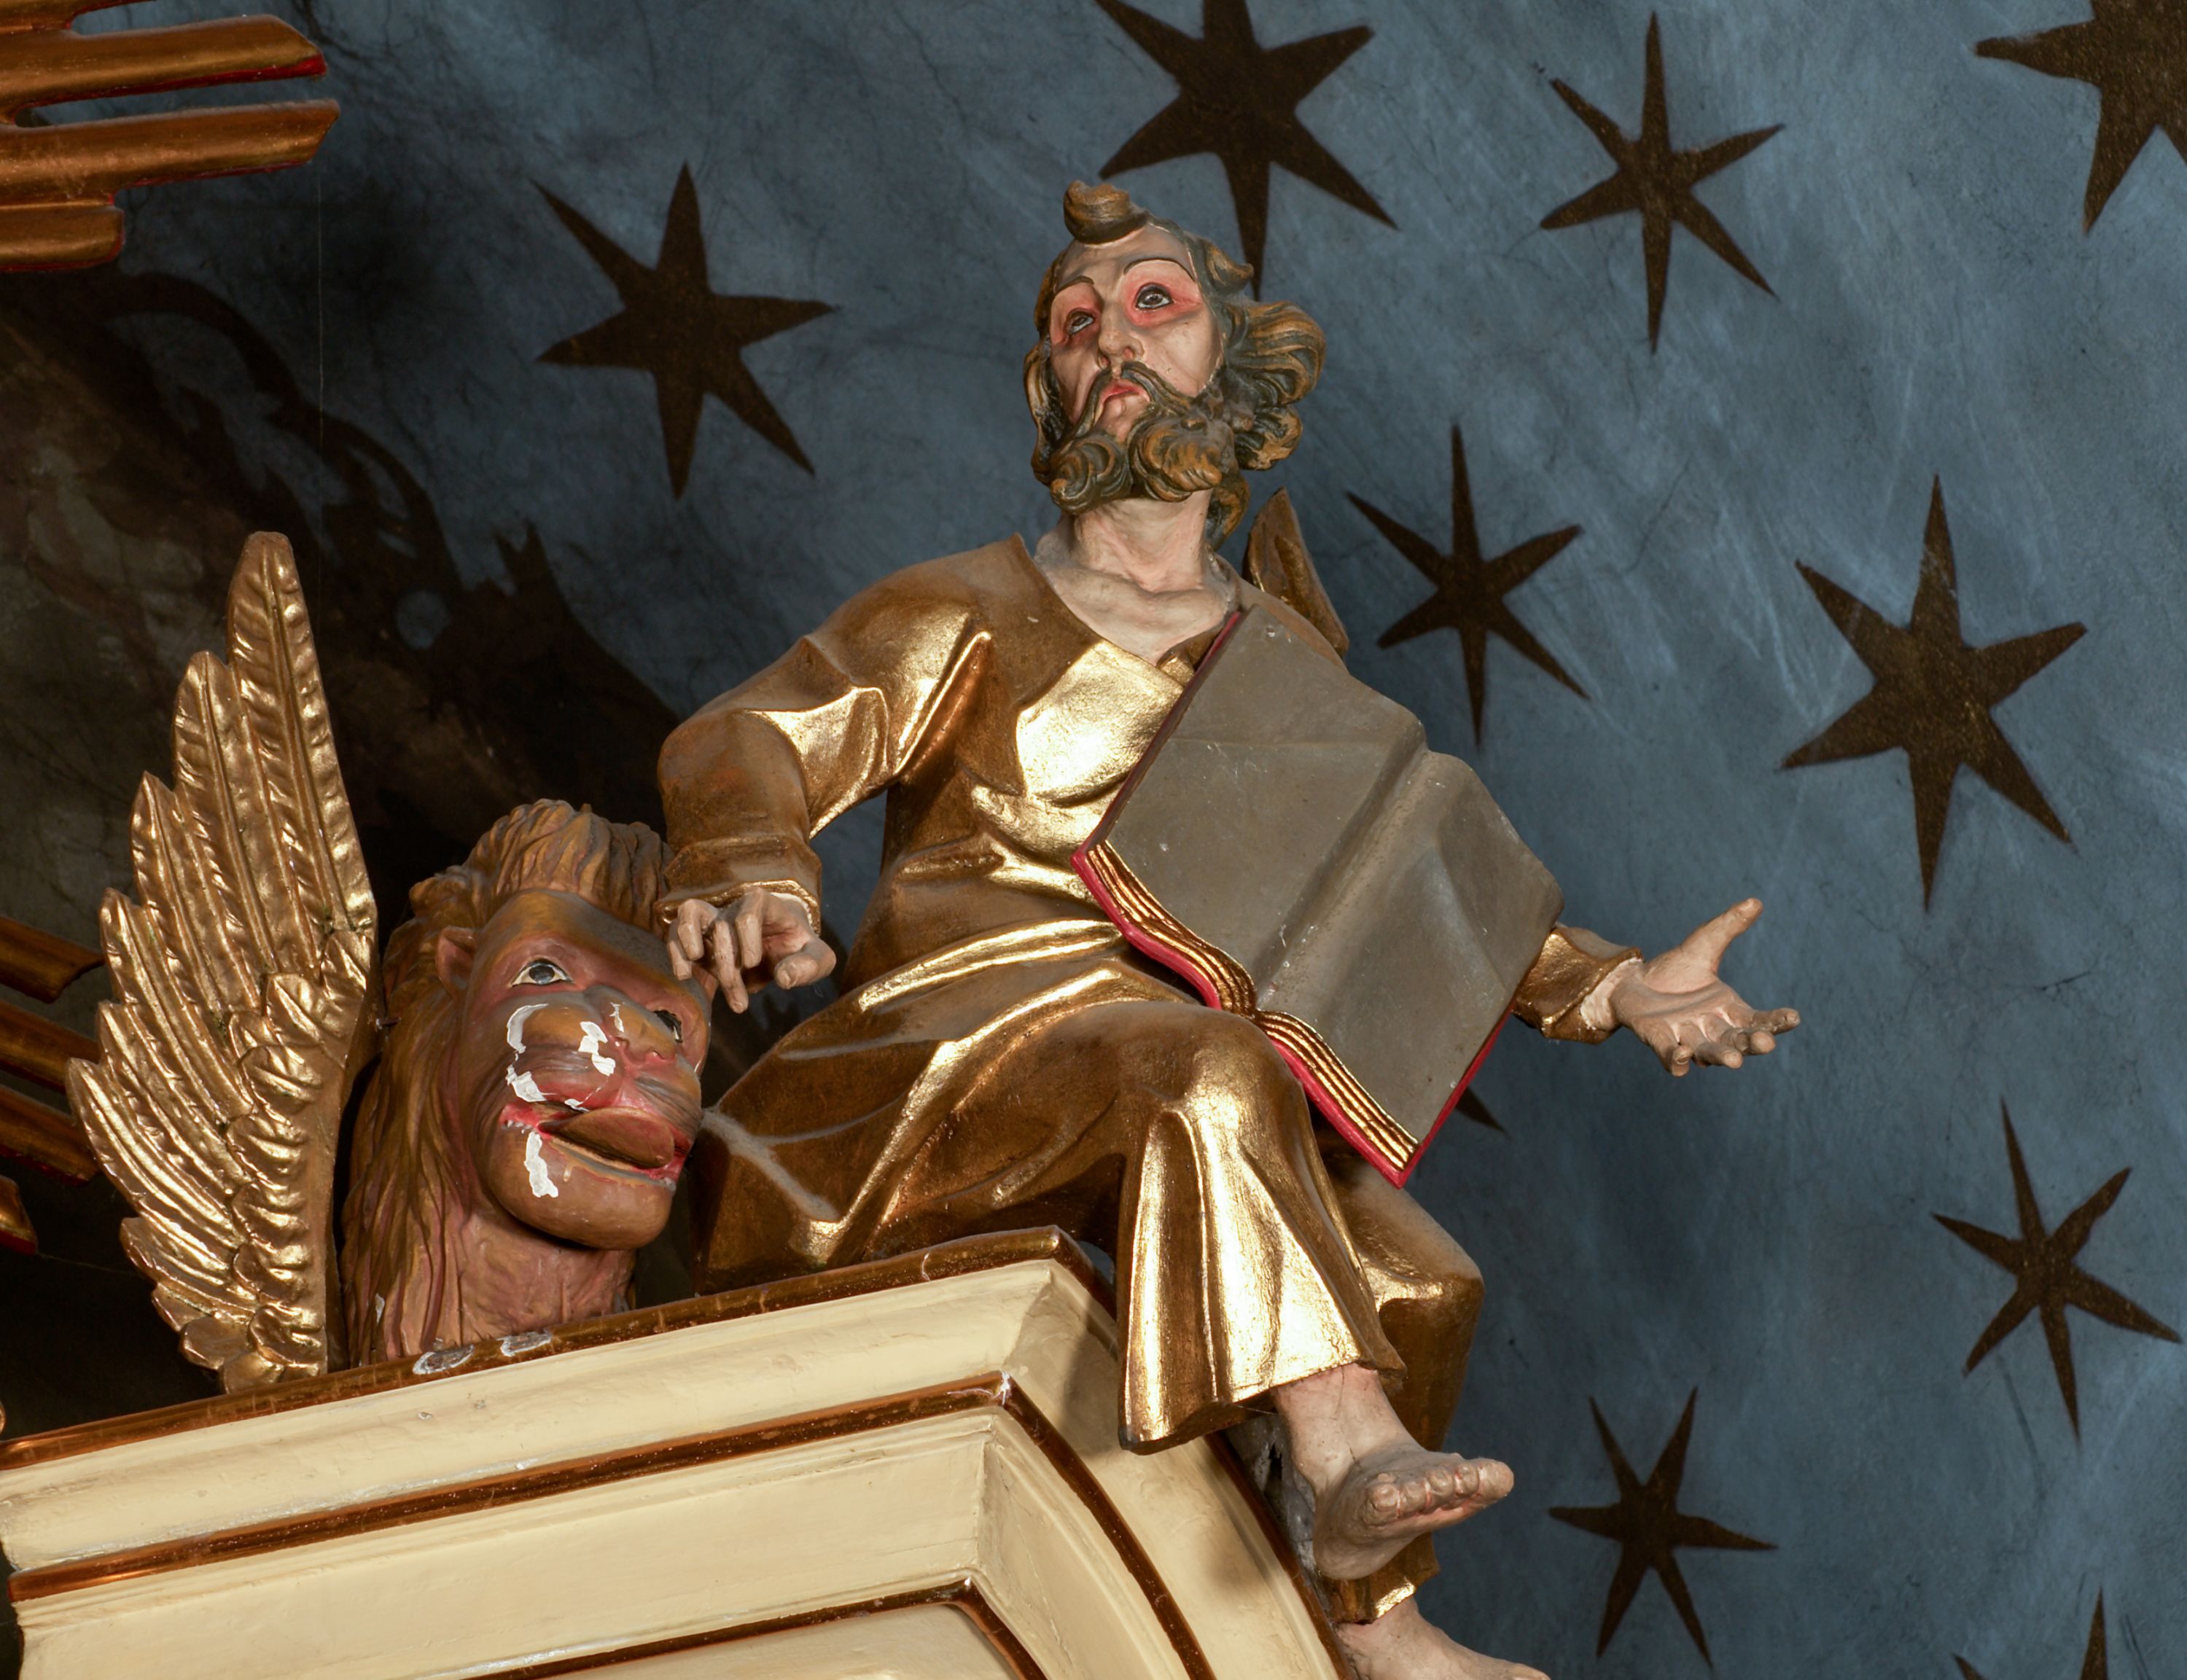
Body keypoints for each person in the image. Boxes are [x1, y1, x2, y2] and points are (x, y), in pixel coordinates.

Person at [658, 182, 1797, 1680]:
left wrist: (1618, 987)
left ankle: (1360, 1624)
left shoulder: (1283, 662)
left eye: (1154, 304)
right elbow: (754, 734)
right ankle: (1348, 1460)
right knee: (1211, 1071)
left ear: (1232, 365)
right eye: (1076, 323)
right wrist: (757, 868)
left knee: (1420, 1280)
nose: (1110, 340)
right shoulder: (971, 607)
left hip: (1163, 1060)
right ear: (1049, 388)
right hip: (952, 1051)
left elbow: (1414, 885)